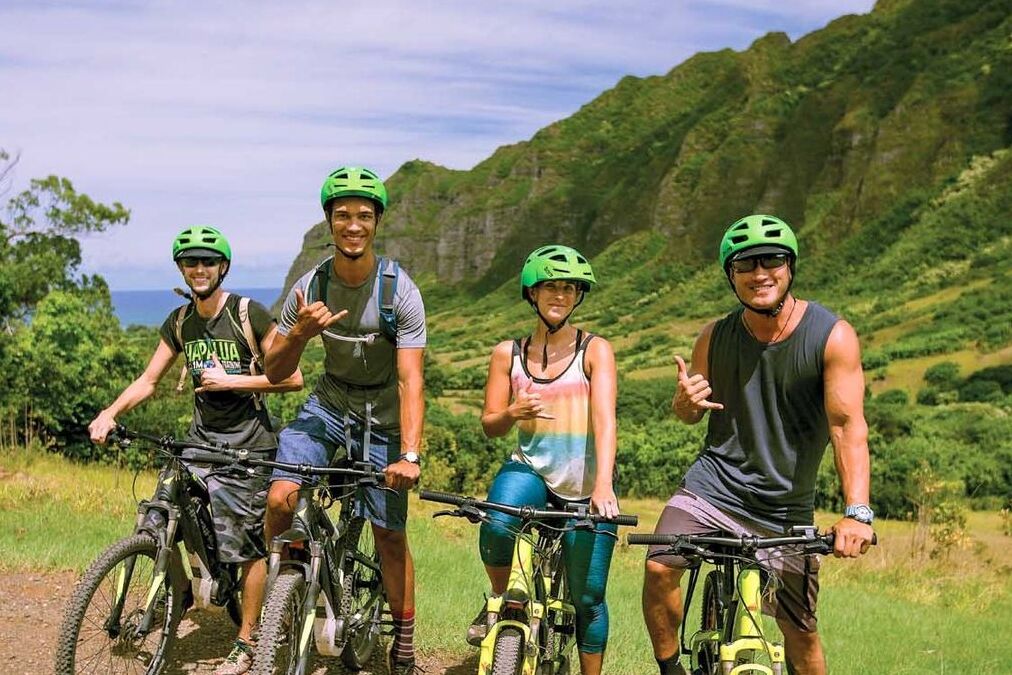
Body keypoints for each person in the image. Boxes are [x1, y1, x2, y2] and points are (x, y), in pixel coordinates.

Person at [641, 214, 875, 675]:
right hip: (713, 489)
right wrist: (683, 402)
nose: (760, 273)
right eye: (745, 264)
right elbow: (691, 416)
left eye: (772, 260)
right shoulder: (714, 336)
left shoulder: (832, 335)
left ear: (790, 268)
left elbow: (848, 428)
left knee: (801, 633)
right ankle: (671, 669)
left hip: (784, 508)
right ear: (731, 276)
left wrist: (857, 512)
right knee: (659, 568)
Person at [88, 225, 304, 675]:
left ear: (222, 267)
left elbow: (291, 378)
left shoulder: (249, 313)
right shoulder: (181, 321)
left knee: (244, 546)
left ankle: (247, 640)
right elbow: (149, 380)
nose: (199, 269)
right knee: (161, 511)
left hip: (248, 446)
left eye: (207, 261)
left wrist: (232, 381)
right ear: (182, 270)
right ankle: (182, 590)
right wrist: (110, 412)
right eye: (191, 262)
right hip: (200, 441)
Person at [263, 166, 426, 675]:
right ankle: (280, 606)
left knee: (389, 536)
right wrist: (298, 335)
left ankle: (403, 641)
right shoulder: (309, 286)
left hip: (383, 414)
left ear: (376, 222)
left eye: (363, 216)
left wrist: (410, 455)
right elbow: (274, 369)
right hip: (328, 404)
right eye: (342, 216)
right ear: (329, 223)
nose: (352, 225)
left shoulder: (399, 290)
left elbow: (410, 381)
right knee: (279, 499)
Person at [475, 244, 621, 675]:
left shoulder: (595, 350)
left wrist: (603, 485)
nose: (560, 295)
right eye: (550, 287)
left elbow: (606, 422)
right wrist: (511, 413)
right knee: (496, 523)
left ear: (578, 296)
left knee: (588, 599)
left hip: (585, 482)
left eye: (569, 289)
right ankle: (500, 603)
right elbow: (491, 424)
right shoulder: (508, 354)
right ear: (532, 293)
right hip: (531, 467)